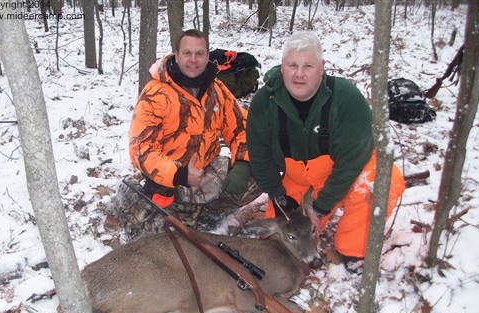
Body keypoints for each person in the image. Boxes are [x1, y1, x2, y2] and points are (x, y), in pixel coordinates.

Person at [246, 31, 405, 270]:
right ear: (282, 68)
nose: (299, 74)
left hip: (345, 173)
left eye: (308, 66)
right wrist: (279, 195)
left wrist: (320, 210)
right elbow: (259, 155)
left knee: (383, 179)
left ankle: (352, 250)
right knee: (280, 232)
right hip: (298, 175)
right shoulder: (265, 101)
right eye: (292, 65)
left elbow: (352, 162)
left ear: (322, 67)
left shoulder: (346, 98)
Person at [124, 29, 260, 234]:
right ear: (177, 55)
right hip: (171, 182)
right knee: (171, 243)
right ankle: (180, 214)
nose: (193, 60)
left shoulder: (217, 89)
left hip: (208, 170)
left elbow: (242, 127)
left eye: (199, 54)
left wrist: (242, 162)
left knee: (259, 173)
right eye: (187, 53)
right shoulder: (156, 93)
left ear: (208, 57)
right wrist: (178, 174)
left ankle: (209, 213)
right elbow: (140, 149)